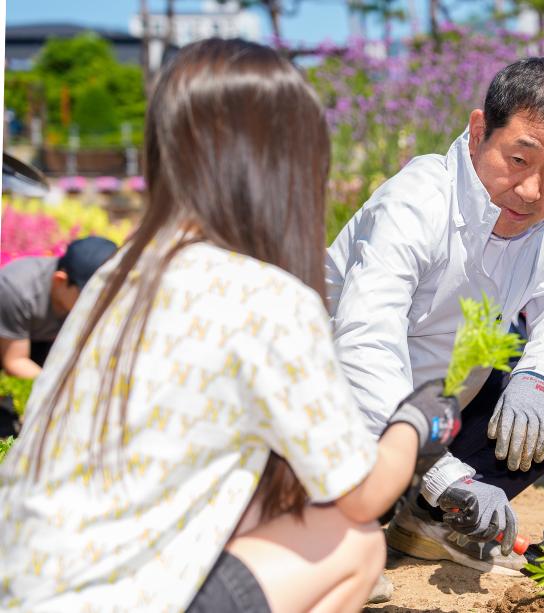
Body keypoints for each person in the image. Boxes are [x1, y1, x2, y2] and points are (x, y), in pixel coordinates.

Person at [0, 39, 461, 613]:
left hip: (24, 585)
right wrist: (416, 422)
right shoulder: (265, 297)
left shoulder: (123, 271)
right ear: (288, 169)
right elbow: (360, 493)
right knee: (354, 545)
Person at [326, 57, 544, 574]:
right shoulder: (416, 201)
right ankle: (391, 512)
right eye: (519, 160)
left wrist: (536, 376)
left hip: (444, 404)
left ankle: (430, 523)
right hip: (344, 409)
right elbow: (364, 345)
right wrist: (443, 474)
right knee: (347, 562)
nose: (532, 191)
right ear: (480, 130)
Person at [0, 236, 117, 379]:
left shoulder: (72, 297)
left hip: (45, 337)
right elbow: (15, 361)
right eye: (91, 296)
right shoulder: (17, 290)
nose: (100, 305)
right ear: (60, 280)